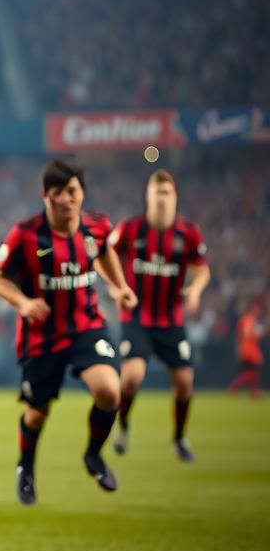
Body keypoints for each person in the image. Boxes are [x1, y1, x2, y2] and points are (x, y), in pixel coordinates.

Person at [0, 159, 138, 506]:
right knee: (38, 413)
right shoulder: (24, 234)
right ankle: (26, 467)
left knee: (109, 391)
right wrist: (23, 303)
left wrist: (119, 286)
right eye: (59, 192)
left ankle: (93, 455)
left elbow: (104, 252)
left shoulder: (96, 227)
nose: (68, 199)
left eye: (74, 191)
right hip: (41, 335)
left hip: (86, 326)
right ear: (46, 196)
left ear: (82, 193)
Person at [110, 170, 210, 461]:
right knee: (131, 378)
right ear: (148, 196)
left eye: (167, 193)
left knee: (184, 384)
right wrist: (116, 286)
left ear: (176, 197)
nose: (163, 198)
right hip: (136, 318)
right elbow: (108, 255)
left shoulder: (188, 233)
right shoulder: (130, 229)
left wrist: (196, 290)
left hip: (171, 320)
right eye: (158, 193)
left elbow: (202, 268)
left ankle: (179, 438)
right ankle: (124, 426)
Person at [228, 300, 265, 399]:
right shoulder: (251, 320)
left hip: (245, 349)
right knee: (253, 371)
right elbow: (252, 335)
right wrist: (263, 332)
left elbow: (238, 335)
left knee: (252, 371)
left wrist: (238, 349)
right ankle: (236, 386)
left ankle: (253, 391)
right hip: (250, 349)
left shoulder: (243, 319)